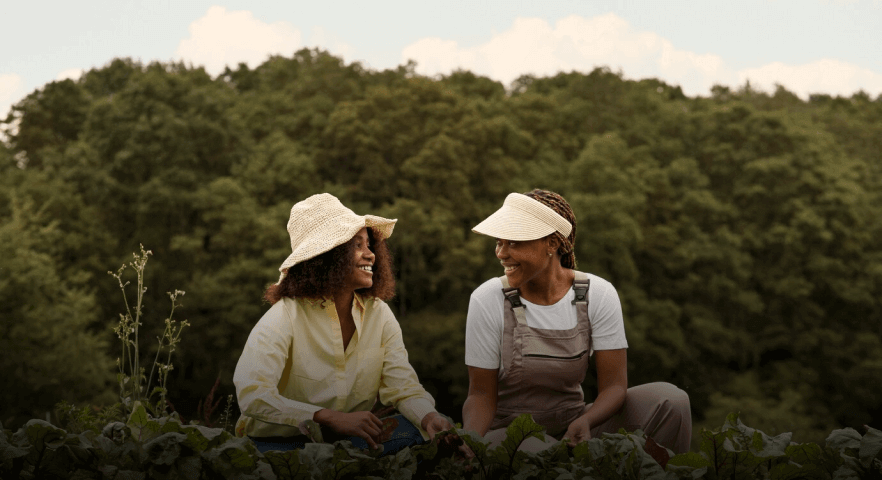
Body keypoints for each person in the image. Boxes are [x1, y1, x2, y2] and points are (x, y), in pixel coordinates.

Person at [462, 189, 692, 453]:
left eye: (514, 243)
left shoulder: (598, 293)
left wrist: (586, 420)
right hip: (509, 435)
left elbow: (615, 386)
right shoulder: (487, 298)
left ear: (552, 244)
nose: (501, 253)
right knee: (535, 447)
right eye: (498, 243)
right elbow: (480, 396)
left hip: (576, 422)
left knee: (672, 401)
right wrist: (469, 442)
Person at [233, 193, 454, 455]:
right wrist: (325, 416)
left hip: (346, 444)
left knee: (419, 430)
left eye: (369, 245)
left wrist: (429, 417)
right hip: (279, 446)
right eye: (356, 245)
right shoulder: (285, 315)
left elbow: (402, 386)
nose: (370, 254)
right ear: (327, 255)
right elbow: (252, 393)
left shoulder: (379, 314)